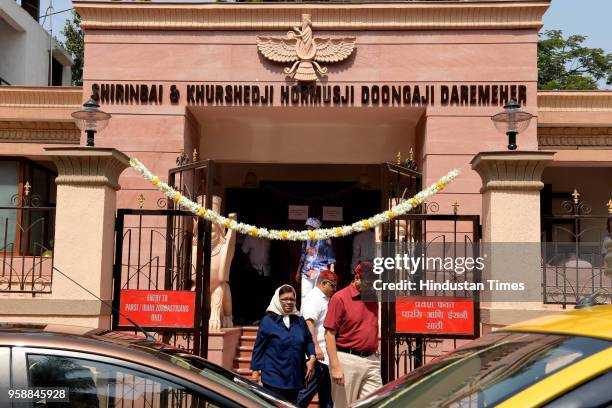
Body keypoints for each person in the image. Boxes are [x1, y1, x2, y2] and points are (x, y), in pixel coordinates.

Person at [324, 262, 381, 408]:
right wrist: (336, 366)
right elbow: (329, 334)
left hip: (371, 360)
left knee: (375, 403)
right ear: (357, 278)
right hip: (347, 360)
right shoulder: (340, 298)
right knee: (343, 406)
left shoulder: (372, 298)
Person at [251, 285, 317, 404]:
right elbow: (259, 348)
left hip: (295, 378)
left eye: (292, 299)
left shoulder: (299, 320)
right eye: (285, 299)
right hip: (273, 378)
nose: (289, 302)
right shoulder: (268, 321)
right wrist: (255, 371)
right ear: (277, 299)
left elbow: (308, 340)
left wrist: (312, 357)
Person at [296, 270, 338, 408]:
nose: (334, 289)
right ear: (324, 283)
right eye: (332, 286)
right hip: (317, 358)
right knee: (303, 396)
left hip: (324, 358)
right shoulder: (314, 298)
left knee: (327, 398)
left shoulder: (323, 298)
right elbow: (309, 322)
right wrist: (315, 347)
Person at [296, 217, 336, 305]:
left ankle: (320, 318)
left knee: (319, 295)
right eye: (307, 227)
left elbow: (330, 255)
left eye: (311, 227)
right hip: (306, 270)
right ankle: (304, 317)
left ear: (316, 228)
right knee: (305, 295)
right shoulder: (306, 238)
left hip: (321, 270)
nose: (308, 229)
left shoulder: (325, 238)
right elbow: (303, 255)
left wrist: (332, 270)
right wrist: (298, 271)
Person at [242, 233, 272, 322]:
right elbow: (244, 252)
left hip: (266, 271)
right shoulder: (251, 236)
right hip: (253, 270)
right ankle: (253, 318)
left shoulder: (269, 236)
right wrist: (249, 266)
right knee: (254, 295)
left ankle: (264, 318)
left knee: (265, 295)